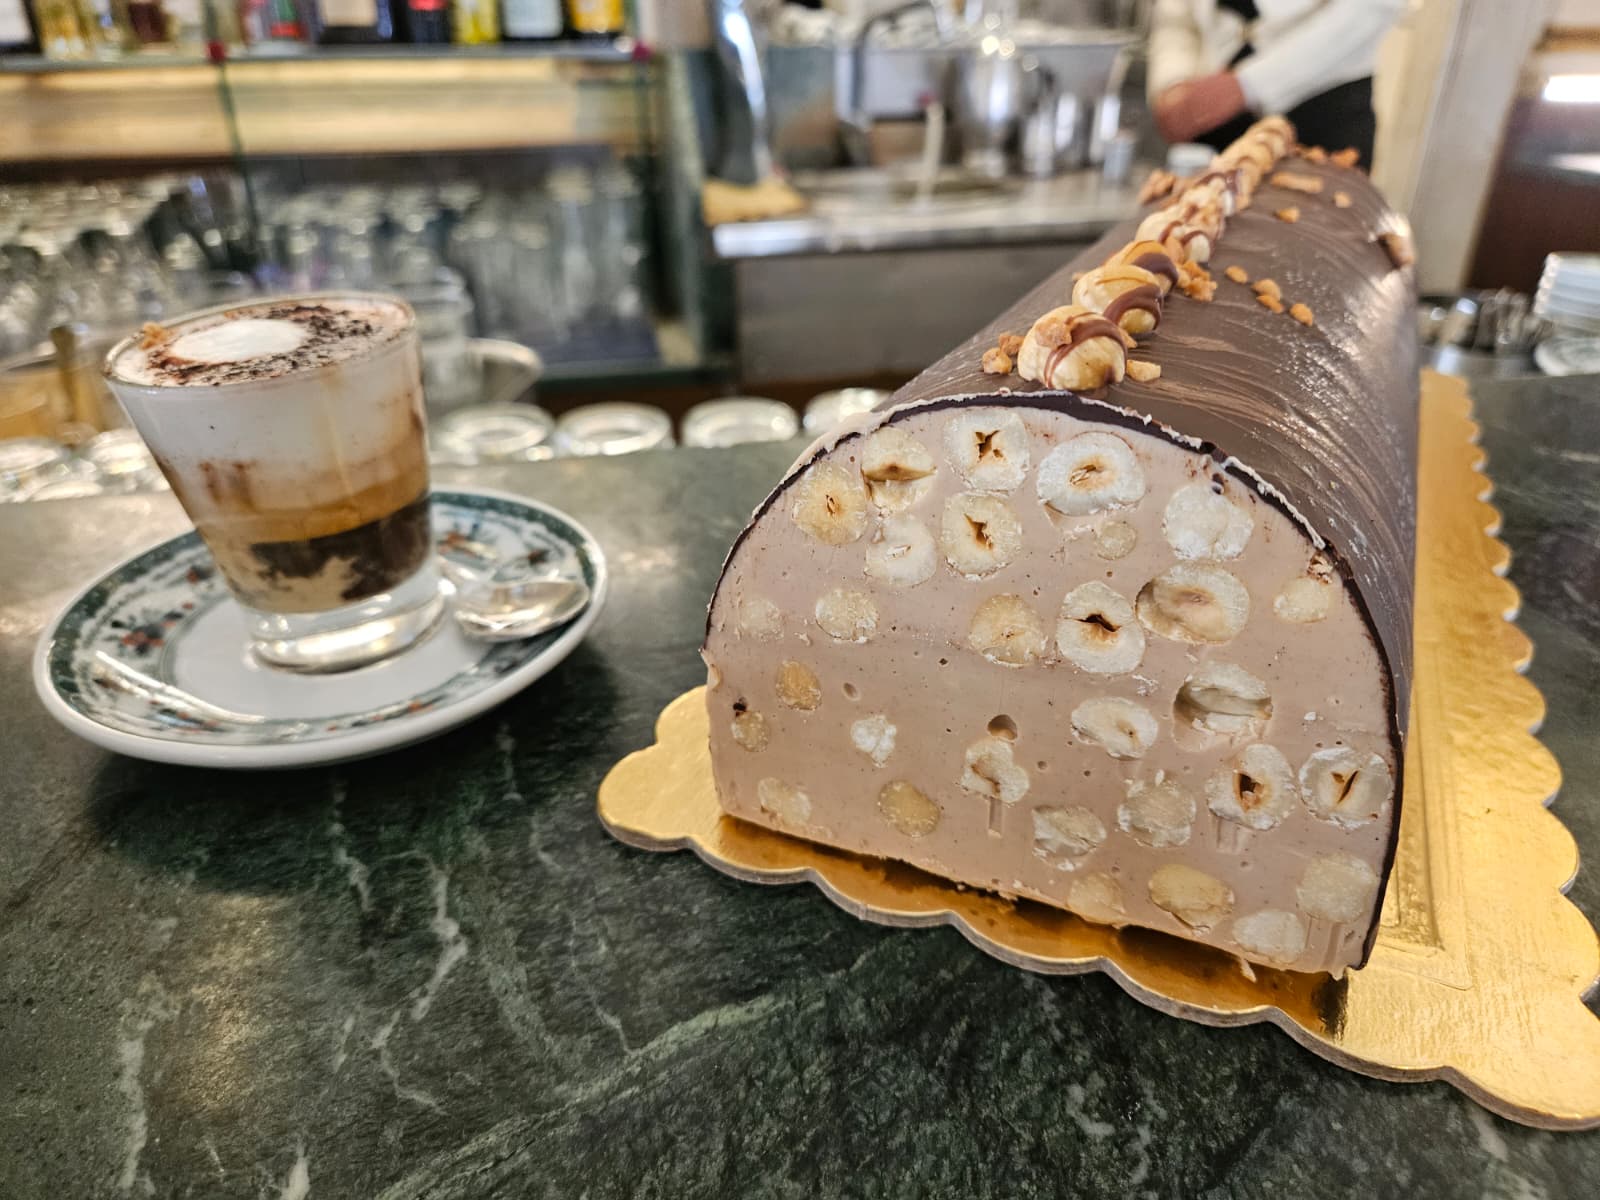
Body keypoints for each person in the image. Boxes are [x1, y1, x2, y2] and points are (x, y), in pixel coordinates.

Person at [1146, 0, 1407, 165]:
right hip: (1207, 114)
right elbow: (1175, 17)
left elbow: (1376, 5)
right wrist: (1173, 82)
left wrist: (1249, 84)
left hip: (1322, 111)